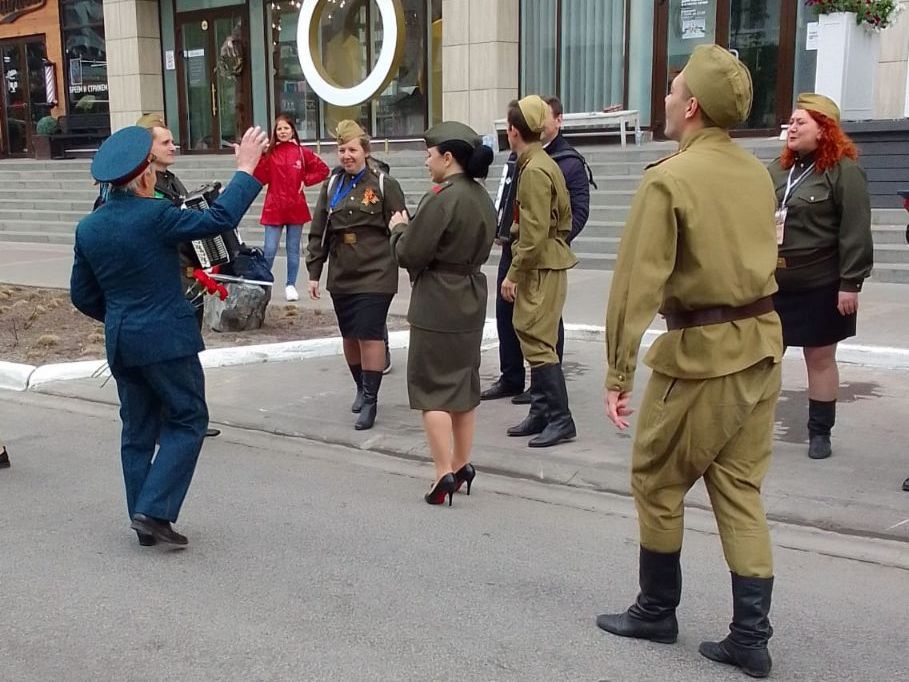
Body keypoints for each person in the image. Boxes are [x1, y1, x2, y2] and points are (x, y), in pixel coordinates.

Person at [596, 45, 782, 679]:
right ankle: (750, 637)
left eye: (674, 90)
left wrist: (618, 372)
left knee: (656, 478)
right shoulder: (757, 173)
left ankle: (656, 609)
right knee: (738, 488)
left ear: (693, 106)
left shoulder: (670, 177)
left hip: (702, 356)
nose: (668, 100)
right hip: (761, 347)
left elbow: (635, 286)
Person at [70, 125, 268, 547]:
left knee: (137, 430)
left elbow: (82, 295)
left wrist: (123, 315)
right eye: (154, 174)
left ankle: (143, 520)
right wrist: (246, 168)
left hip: (123, 340)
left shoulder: (88, 228)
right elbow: (219, 219)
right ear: (144, 176)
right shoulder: (155, 215)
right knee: (188, 417)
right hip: (165, 340)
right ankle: (153, 511)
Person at [389, 121, 496, 506]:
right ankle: (462, 464)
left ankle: (442, 475)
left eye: (429, 153)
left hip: (438, 300)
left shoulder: (441, 198)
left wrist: (399, 229)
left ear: (448, 157)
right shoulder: (482, 197)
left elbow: (410, 254)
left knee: (432, 390)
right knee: (463, 388)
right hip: (470, 296)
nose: (426, 160)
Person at [769, 94, 873, 460]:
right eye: (791, 122)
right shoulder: (779, 171)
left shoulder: (843, 170)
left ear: (824, 129)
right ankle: (753, 425)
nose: (792, 128)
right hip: (775, 284)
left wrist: (851, 283)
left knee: (820, 358)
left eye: (801, 122)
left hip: (822, 283)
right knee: (764, 356)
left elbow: (856, 229)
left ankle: (819, 432)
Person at [482, 95, 592, 404]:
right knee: (513, 319)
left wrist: (550, 244)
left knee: (539, 330)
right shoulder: (527, 161)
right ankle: (521, 385)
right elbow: (513, 204)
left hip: (536, 258)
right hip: (519, 251)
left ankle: (549, 406)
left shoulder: (550, 164)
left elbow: (567, 215)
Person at [306, 120, 406, 431]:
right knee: (349, 334)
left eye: (352, 149)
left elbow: (402, 225)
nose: (346, 155)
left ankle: (372, 400)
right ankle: (361, 388)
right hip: (342, 271)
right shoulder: (332, 185)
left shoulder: (383, 183)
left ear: (365, 151)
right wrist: (313, 272)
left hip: (376, 270)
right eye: (341, 150)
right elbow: (319, 229)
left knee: (369, 333)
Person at [135, 113, 223, 439]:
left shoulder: (171, 180)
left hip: (189, 278)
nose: (174, 146)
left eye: (173, 140)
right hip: (165, 281)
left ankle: (190, 417)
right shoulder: (141, 188)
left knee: (188, 352)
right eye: (166, 142)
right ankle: (169, 421)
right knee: (168, 357)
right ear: (148, 149)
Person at [499, 95, 578, 448]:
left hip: (540, 265)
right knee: (534, 336)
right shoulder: (540, 162)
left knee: (537, 338)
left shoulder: (534, 170)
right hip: (546, 261)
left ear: (513, 131)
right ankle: (543, 413)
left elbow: (531, 237)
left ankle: (561, 419)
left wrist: (513, 274)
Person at [254, 114, 330, 301]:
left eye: (286, 128)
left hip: (295, 206)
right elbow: (258, 176)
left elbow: (323, 170)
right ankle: (263, 283)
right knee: (269, 249)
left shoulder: (302, 153)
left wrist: (306, 179)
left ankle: (290, 284)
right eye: (279, 129)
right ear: (275, 132)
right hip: (274, 206)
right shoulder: (270, 154)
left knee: (293, 249)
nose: (282, 132)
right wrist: (259, 155)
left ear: (292, 130)